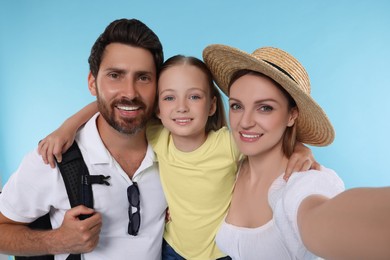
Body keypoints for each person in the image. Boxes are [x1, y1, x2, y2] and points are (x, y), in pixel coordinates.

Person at [37, 53, 319, 259]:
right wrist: (67, 128)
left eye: (194, 97)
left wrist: (300, 149)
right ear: (156, 108)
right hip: (170, 249)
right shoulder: (158, 137)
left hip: (219, 254)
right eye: (169, 98)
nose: (181, 108)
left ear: (211, 106)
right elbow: (111, 107)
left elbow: (264, 139)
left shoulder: (227, 144)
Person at [202, 44, 390, 259]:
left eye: (265, 108)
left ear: (292, 116)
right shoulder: (229, 164)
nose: (244, 122)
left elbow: (319, 218)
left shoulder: (303, 183)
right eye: (237, 106)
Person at [0, 18, 167, 259]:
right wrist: (56, 240)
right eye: (115, 75)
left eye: (143, 78)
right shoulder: (53, 158)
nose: (130, 93)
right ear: (92, 82)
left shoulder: (176, 148)